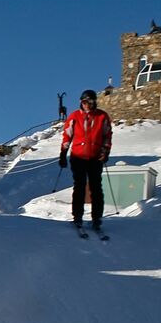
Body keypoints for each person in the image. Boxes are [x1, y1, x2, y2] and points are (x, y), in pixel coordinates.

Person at [59, 89, 112, 232]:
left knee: (96, 187)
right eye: (84, 102)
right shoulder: (75, 116)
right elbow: (67, 136)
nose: (87, 105)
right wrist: (63, 153)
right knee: (80, 186)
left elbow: (107, 135)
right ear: (80, 103)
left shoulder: (102, 116)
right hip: (78, 157)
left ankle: (97, 218)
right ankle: (77, 216)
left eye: (90, 102)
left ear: (95, 102)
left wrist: (105, 151)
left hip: (95, 157)